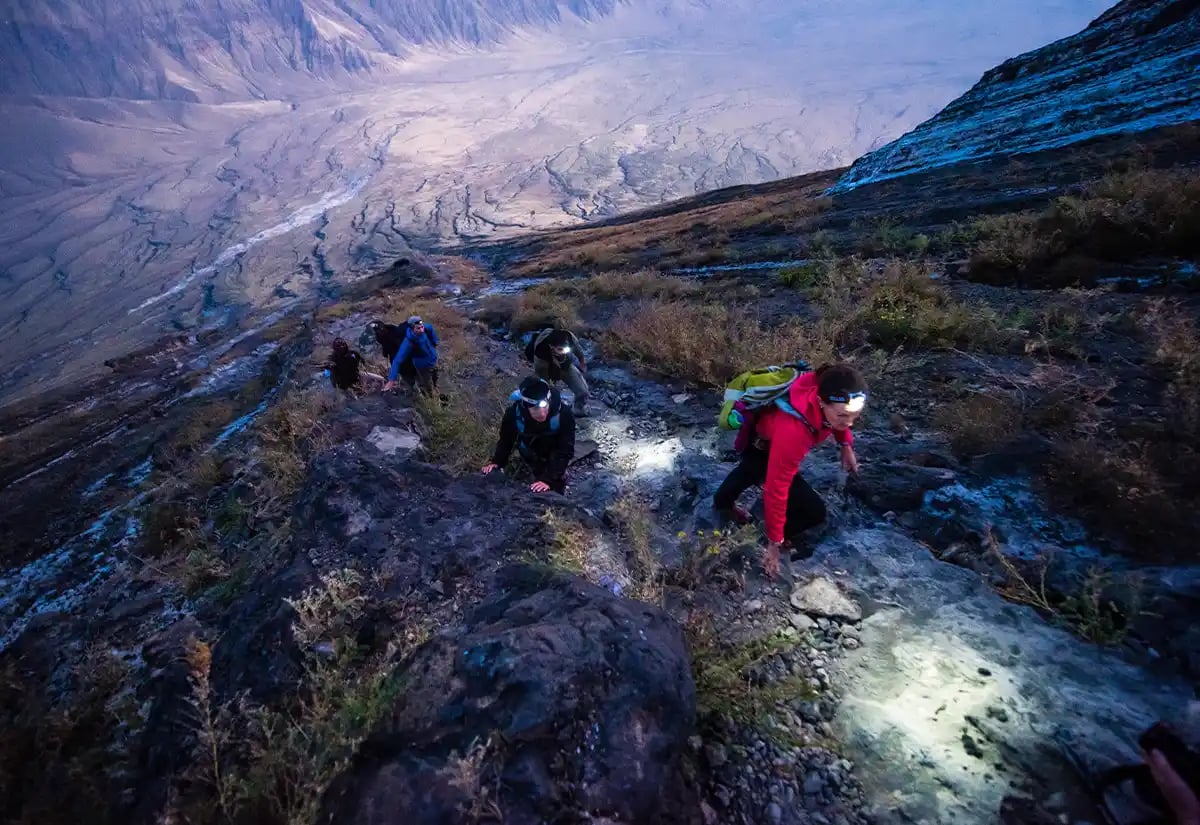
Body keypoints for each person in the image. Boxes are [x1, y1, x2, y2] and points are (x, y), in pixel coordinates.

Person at [712, 363, 866, 578]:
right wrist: (775, 542)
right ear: (820, 402)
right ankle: (763, 538)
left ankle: (722, 502)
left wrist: (845, 444)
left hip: (761, 440)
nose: (849, 422)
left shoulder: (825, 386)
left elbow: (838, 421)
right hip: (762, 447)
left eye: (855, 416)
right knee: (814, 512)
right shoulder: (794, 431)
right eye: (843, 416)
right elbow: (777, 488)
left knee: (749, 470)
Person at [481, 377, 576, 494]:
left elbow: (565, 449)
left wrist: (548, 479)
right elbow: (506, 441)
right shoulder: (513, 414)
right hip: (530, 452)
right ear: (526, 406)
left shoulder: (564, 413)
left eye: (544, 406)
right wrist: (497, 463)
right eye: (535, 409)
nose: (542, 413)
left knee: (554, 484)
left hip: (554, 453)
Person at [525, 327, 589, 416]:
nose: (564, 352)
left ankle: (578, 409)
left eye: (566, 349)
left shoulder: (570, 337)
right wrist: (550, 389)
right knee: (547, 393)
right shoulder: (541, 353)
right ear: (551, 347)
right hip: (548, 367)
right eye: (560, 349)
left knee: (583, 391)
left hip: (566, 366)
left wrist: (582, 364)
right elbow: (544, 379)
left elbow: (579, 351)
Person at [383, 315, 439, 395]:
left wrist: (435, 341)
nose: (421, 330)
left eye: (422, 327)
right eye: (418, 328)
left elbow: (430, 328)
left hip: (434, 361)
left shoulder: (425, 328)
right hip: (424, 368)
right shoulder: (408, 343)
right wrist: (391, 380)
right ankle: (431, 397)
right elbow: (397, 360)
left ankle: (436, 388)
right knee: (428, 388)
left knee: (436, 378)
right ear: (412, 328)